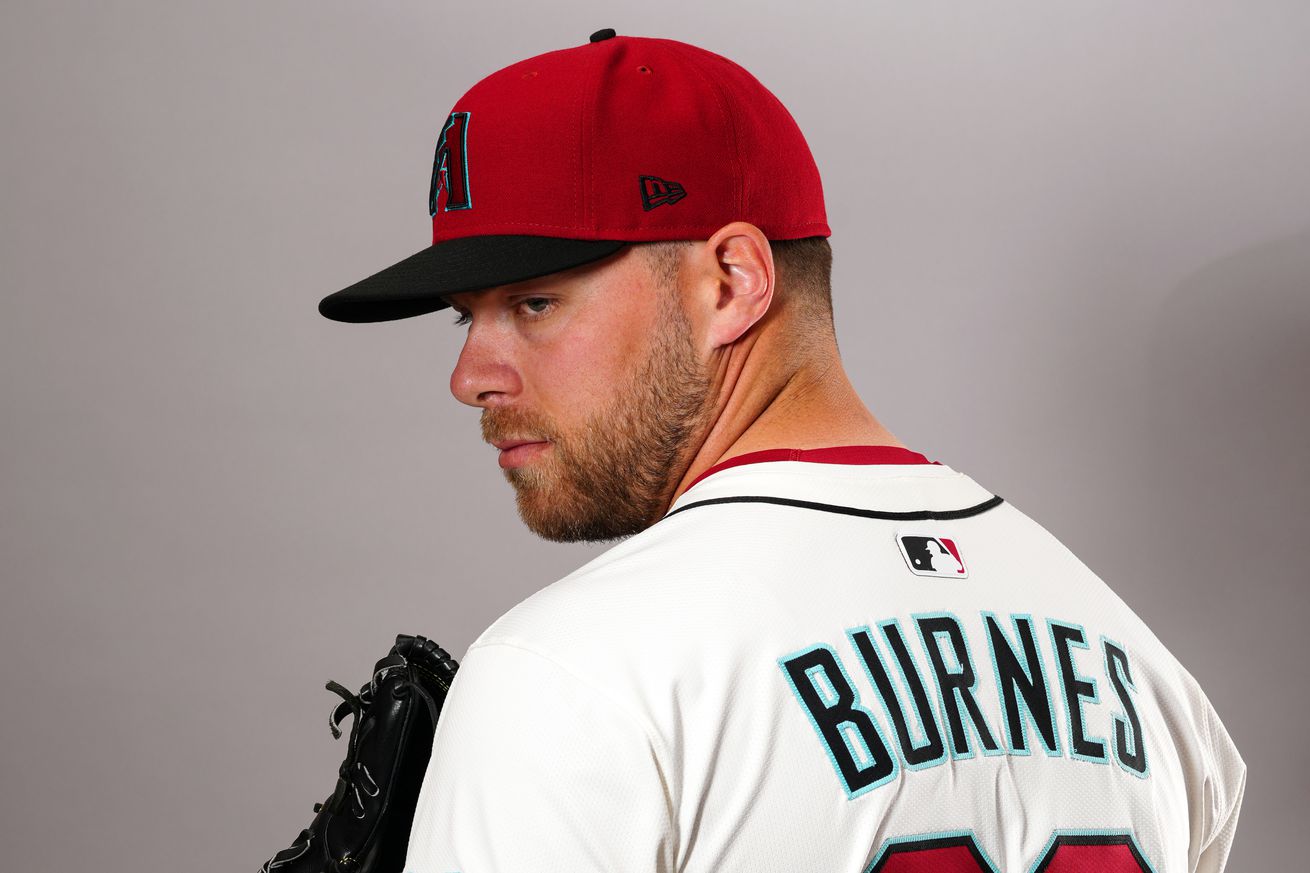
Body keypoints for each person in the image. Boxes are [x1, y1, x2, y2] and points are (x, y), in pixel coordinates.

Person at [320, 30, 1245, 873]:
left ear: (732, 280)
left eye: (533, 303)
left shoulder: (564, 679)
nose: (471, 376)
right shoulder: (1152, 679)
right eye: (464, 318)